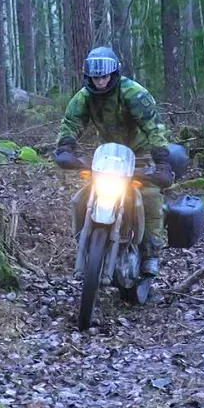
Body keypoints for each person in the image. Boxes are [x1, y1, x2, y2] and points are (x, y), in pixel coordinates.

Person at [53, 46, 172, 302]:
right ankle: (85, 239)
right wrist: (66, 145)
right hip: (108, 156)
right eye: (96, 77)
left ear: (114, 73)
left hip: (139, 154)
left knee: (150, 195)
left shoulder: (133, 93)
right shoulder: (84, 97)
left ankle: (151, 253)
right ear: (89, 77)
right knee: (83, 195)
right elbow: (71, 122)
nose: (101, 81)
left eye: (105, 76)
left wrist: (161, 161)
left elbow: (154, 126)